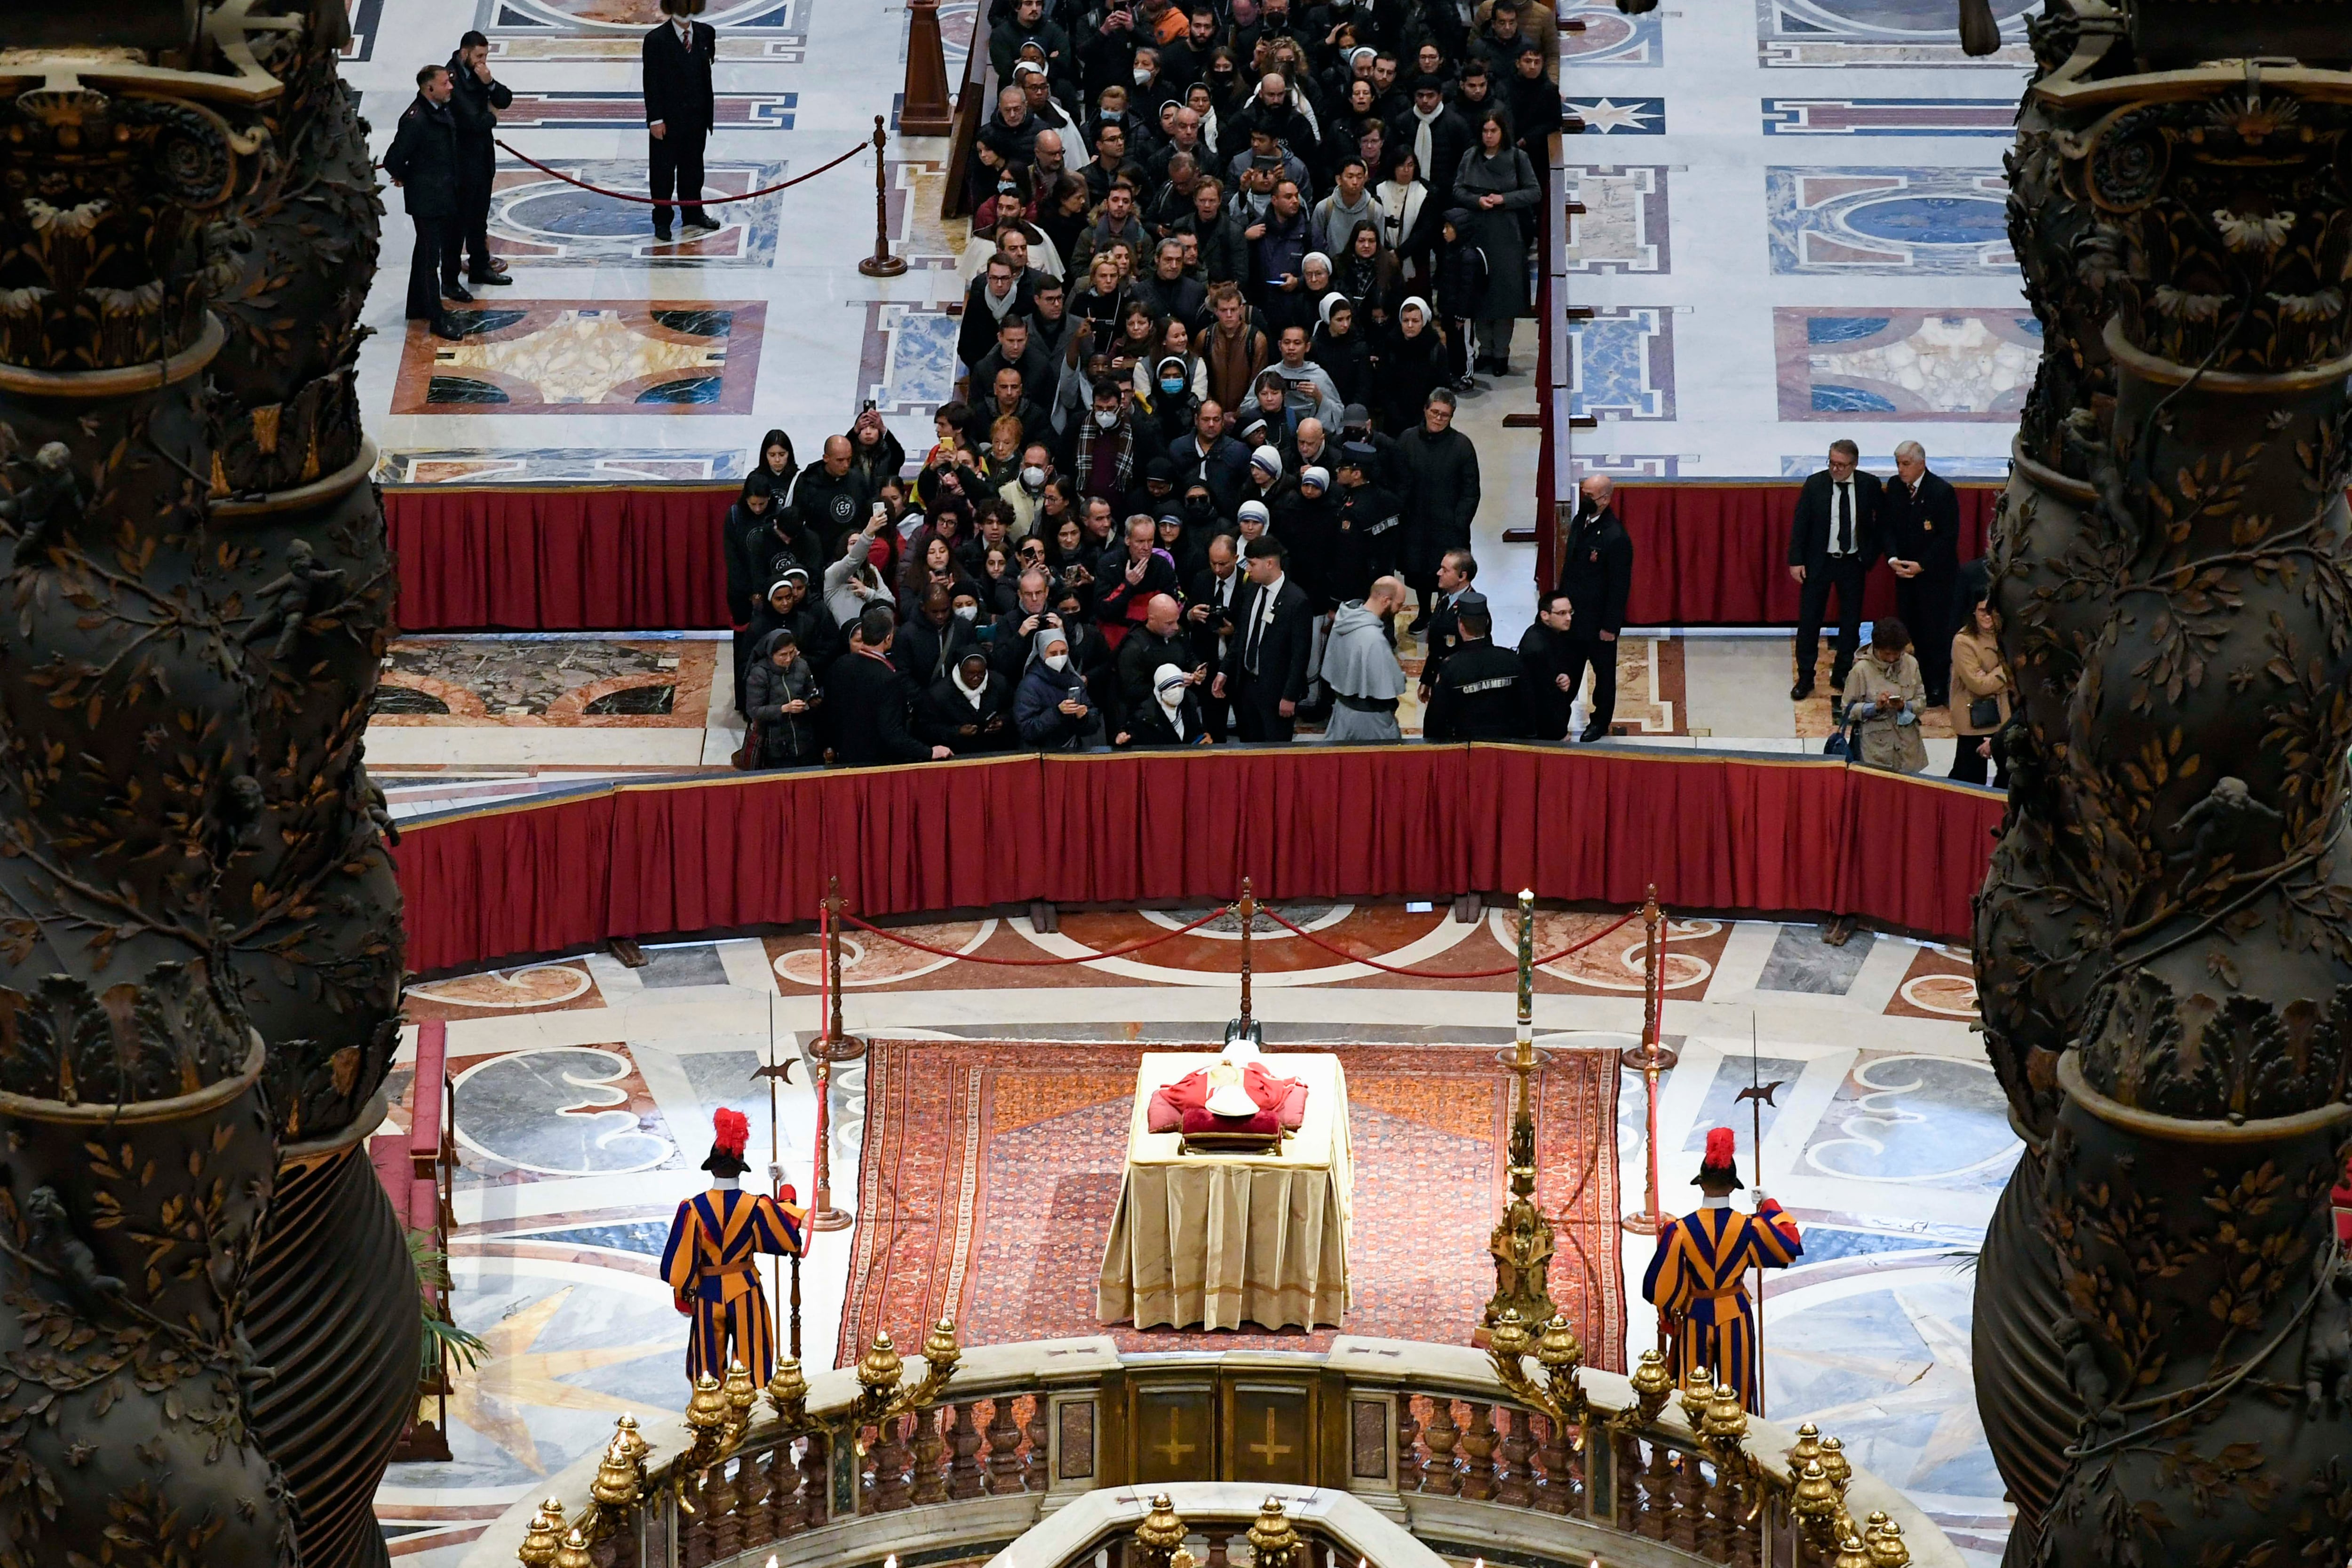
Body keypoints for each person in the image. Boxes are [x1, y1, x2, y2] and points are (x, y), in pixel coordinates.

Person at [1641, 1127, 1802, 1414]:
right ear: (1732, 1188)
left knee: (1691, 1396)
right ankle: (1735, 1455)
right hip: (1736, 1316)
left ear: (1701, 1185)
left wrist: (1667, 1316)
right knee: (1736, 1400)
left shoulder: (1678, 1231)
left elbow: (1659, 1289)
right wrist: (1768, 1203)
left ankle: (1689, 1456)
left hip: (1695, 1317)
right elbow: (1789, 1243)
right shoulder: (1751, 1228)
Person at [659, 1109, 805, 1386]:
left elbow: (680, 1264)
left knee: (707, 1371)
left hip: (707, 1294)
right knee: (753, 1367)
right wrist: (786, 1184)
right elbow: (789, 1235)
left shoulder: (691, 1209)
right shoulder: (757, 1206)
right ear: (741, 1169)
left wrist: (683, 1296)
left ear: (712, 1169)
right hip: (746, 1291)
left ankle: (710, 1420)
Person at [1788, 438, 1882, 701]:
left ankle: (1842, 673)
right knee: (1810, 621)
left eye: (1842, 465)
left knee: (1851, 621)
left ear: (1854, 464)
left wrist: (1870, 556)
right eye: (1832, 463)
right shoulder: (1815, 484)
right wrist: (1796, 560)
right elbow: (1801, 523)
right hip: (1820, 561)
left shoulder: (1868, 485)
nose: (1836, 469)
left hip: (1852, 562)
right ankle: (1806, 676)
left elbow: (1880, 523)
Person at [381, 63, 465, 341]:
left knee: (425, 252)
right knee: (431, 259)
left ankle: (418, 305)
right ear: (429, 88)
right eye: (445, 83)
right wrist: (408, 177)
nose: (450, 86)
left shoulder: (440, 110)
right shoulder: (415, 120)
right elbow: (393, 159)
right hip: (427, 200)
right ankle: (437, 319)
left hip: (443, 194)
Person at [1451, 114, 1539, 376]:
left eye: (1493, 131)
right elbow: (1457, 190)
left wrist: (1504, 199)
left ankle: (1501, 353)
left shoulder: (1517, 158)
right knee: (1479, 293)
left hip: (1507, 235)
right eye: (1485, 131)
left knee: (1504, 296)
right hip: (1477, 232)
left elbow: (1534, 192)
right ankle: (1484, 350)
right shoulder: (1470, 157)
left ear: (1503, 132)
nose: (1489, 136)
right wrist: (1477, 201)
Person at [1882, 440, 1962, 706]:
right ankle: (1911, 681)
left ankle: (1936, 685)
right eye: (1898, 464)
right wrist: (1893, 558)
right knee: (1910, 628)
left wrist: (1922, 565)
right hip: (1904, 575)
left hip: (1934, 578)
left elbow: (1948, 538)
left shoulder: (1941, 492)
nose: (1901, 470)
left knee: (1934, 633)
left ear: (1921, 464)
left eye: (1906, 464)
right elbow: (1888, 527)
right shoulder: (1895, 488)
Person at [1555, 473, 1633, 741]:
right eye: (1583, 493)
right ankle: (1557, 717)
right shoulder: (1581, 521)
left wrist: (1610, 627)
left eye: (1589, 496)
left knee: (1603, 677)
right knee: (1568, 669)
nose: (1584, 499)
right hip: (1573, 618)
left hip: (1599, 624)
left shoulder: (1615, 537)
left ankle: (1599, 723)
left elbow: (1619, 588)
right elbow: (1570, 567)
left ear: (1605, 499)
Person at [827, 607, 953, 764]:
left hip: (847, 758)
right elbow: (891, 733)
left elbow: (832, 714)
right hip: (879, 763)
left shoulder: (840, 665)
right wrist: (929, 752)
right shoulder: (888, 678)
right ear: (888, 638)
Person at [1218, 534, 1313, 740]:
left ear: (1270, 564)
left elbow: (1300, 655)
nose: (1248, 569)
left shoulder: (1296, 602)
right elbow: (1242, 636)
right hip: (1246, 690)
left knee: (1275, 756)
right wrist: (1224, 671)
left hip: (1276, 694)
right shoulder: (1251, 590)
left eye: (1252, 564)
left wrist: (1290, 696)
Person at [1398, 389, 1480, 626]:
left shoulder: (1462, 446)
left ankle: (1446, 618)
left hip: (1449, 528)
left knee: (1449, 576)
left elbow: (1471, 491)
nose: (1438, 418)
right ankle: (1425, 614)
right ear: (1425, 410)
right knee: (1420, 574)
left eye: (1445, 415)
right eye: (1435, 412)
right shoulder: (1407, 440)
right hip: (1415, 524)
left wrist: (1459, 523)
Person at [642, 0, 719, 240]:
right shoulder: (656, 41)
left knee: (693, 169)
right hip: (668, 121)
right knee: (663, 172)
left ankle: (693, 212)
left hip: (697, 118)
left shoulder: (707, 34)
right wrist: (655, 119)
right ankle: (662, 220)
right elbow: (651, 83)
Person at [444, 32, 513, 288]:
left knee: (479, 217)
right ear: (466, 53)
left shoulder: (479, 74)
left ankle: (480, 266)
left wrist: (491, 83)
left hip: (483, 156)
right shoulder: (450, 79)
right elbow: (473, 121)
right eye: (479, 56)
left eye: (486, 56)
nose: (483, 61)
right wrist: (492, 115)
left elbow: (505, 99)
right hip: (462, 159)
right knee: (459, 222)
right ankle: (450, 279)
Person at [1422, 593, 1526, 739]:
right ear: (1487, 623)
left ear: (1461, 626)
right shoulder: (1511, 660)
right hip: (1506, 745)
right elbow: (1527, 706)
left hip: (1465, 746)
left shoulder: (1451, 667)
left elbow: (1436, 717)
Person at [1320, 575, 1409, 742]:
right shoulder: (1373, 639)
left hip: (1342, 713)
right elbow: (1387, 688)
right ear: (1386, 600)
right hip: (1370, 723)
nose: (1399, 610)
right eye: (1399, 604)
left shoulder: (1344, 619)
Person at [1845, 617, 1927, 774]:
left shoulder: (1911, 664)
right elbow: (1847, 710)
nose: (1892, 659)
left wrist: (1904, 706)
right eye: (1887, 654)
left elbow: (1921, 702)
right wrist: (1875, 707)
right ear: (1876, 648)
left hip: (1908, 749)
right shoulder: (1861, 670)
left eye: (1897, 654)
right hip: (1876, 752)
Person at [1187, 531, 1244, 739]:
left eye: (1223, 564)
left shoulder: (1248, 583)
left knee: (1246, 726)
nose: (1218, 570)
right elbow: (1188, 617)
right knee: (1213, 728)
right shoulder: (1202, 579)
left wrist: (1234, 632)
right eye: (1213, 564)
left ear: (1236, 559)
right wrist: (1192, 615)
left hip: (1238, 668)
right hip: (1209, 663)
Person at [1949, 594, 2010, 786]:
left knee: (2009, 777)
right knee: (1969, 781)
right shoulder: (1963, 641)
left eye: (1992, 611)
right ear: (1974, 612)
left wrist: (1991, 676)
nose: (1988, 616)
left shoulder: (2007, 635)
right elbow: (1978, 685)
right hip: (1972, 718)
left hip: (2004, 717)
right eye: (1983, 611)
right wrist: (2006, 670)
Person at [740, 628, 823, 768]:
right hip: (774, 740)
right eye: (783, 655)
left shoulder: (801, 665)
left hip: (803, 734)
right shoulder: (760, 674)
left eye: (792, 652)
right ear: (771, 655)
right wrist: (784, 709)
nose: (789, 659)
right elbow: (753, 710)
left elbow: (811, 689)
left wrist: (810, 701)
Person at [1016, 627, 1106, 748]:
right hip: (1041, 753)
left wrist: (1083, 718)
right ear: (1043, 654)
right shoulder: (1030, 685)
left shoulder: (1074, 681)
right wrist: (1057, 713)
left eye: (1063, 652)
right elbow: (1027, 729)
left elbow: (1093, 724)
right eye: (1053, 654)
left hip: (1072, 749)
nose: (1059, 657)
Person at [919, 649, 1017, 752]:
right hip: (958, 754)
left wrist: (1003, 721)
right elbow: (927, 729)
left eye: (981, 673)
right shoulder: (939, 694)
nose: (976, 678)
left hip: (995, 750)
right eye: (971, 674)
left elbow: (1013, 709)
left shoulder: (999, 683)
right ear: (960, 670)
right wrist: (957, 732)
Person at [1516, 589, 1578, 741]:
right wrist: (1559, 733)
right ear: (1545, 616)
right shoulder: (1538, 648)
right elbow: (1545, 700)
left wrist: (1564, 675)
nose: (1569, 618)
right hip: (1543, 732)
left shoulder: (1554, 634)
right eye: (1562, 613)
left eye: (1570, 612)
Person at [1122, 663, 1209, 745]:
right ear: (1160, 691)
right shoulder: (1145, 716)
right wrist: (1122, 739)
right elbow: (1130, 738)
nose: (1177, 691)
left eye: (1180, 686)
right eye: (1172, 687)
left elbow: (1197, 732)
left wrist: (1204, 738)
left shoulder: (1189, 703)